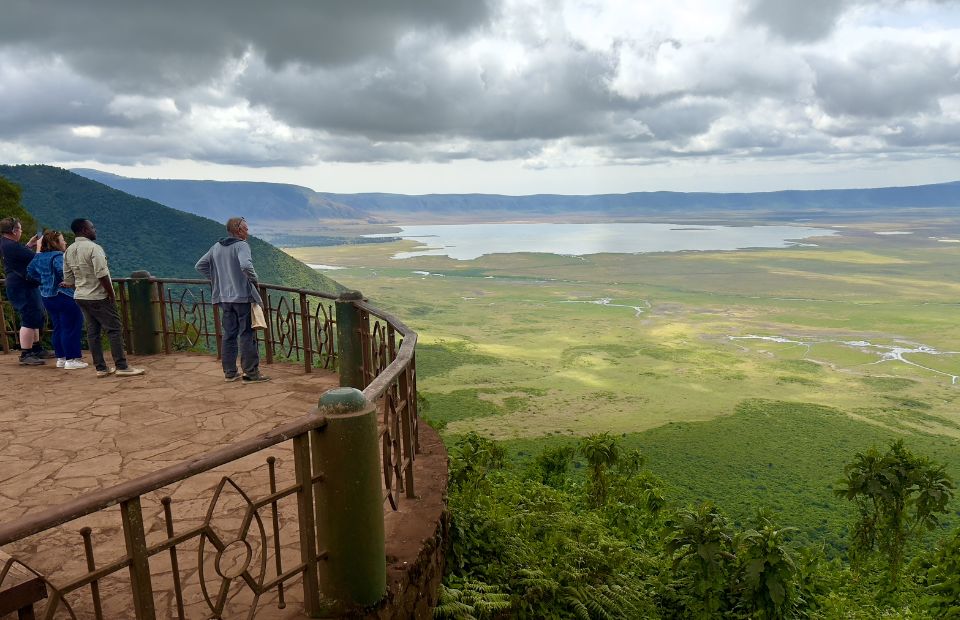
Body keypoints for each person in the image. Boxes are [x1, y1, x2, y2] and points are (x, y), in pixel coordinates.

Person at [63, 218, 144, 377]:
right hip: (98, 296)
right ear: (85, 230)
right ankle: (122, 366)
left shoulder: (68, 250)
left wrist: (81, 288)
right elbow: (102, 274)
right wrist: (111, 293)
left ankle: (101, 368)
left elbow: (68, 279)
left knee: (93, 332)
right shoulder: (94, 248)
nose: (95, 230)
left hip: (80, 296)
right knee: (114, 329)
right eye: (92, 227)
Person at [195, 216, 269, 382]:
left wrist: (217, 280)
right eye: (246, 229)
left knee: (229, 334)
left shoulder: (216, 247)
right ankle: (251, 373)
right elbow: (245, 265)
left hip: (224, 298)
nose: (248, 232)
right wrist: (254, 281)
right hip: (242, 297)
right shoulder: (242, 246)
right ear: (239, 230)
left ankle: (230, 372)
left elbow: (200, 265)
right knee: (247, 335)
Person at [27, 230, 88, 370]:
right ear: (55, 243)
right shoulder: (59, 256)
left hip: (47, 297)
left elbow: (30, 273)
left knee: (58, 327)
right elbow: (62, 272)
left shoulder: (39, 257)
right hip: (63, 295)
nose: (65, 242)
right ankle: (72, 359)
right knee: (72, 327)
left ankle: (61, 358)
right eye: (62, 240)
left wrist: (43, 282)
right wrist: (70, 282)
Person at [0, 217, 52, 365]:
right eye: (20, 229)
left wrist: (28, 245)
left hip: (23, 284)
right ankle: (26, 353)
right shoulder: (11, 246)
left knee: (35, 315)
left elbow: (20, 257)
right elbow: (36, 260)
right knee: (29, 317)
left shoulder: (6, 244)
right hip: (22, 285)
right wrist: (39, 246)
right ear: (13, 231)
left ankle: (36, 348)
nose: (21, 231)